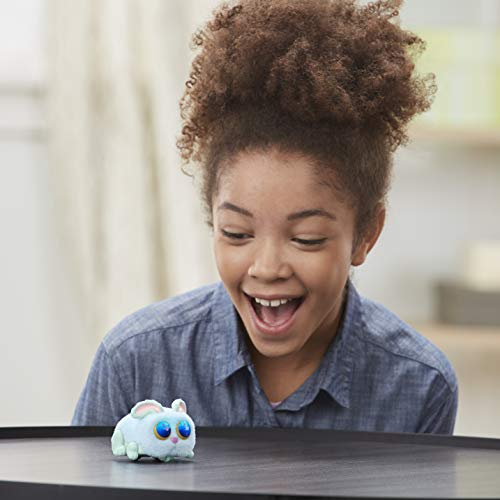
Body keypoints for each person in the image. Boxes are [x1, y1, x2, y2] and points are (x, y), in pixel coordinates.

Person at [72, 0, 458, 433]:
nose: (267, 268)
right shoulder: (133, 361)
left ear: (366, 234)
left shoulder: (420, 385)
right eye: (237, 233)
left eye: (306, 238)